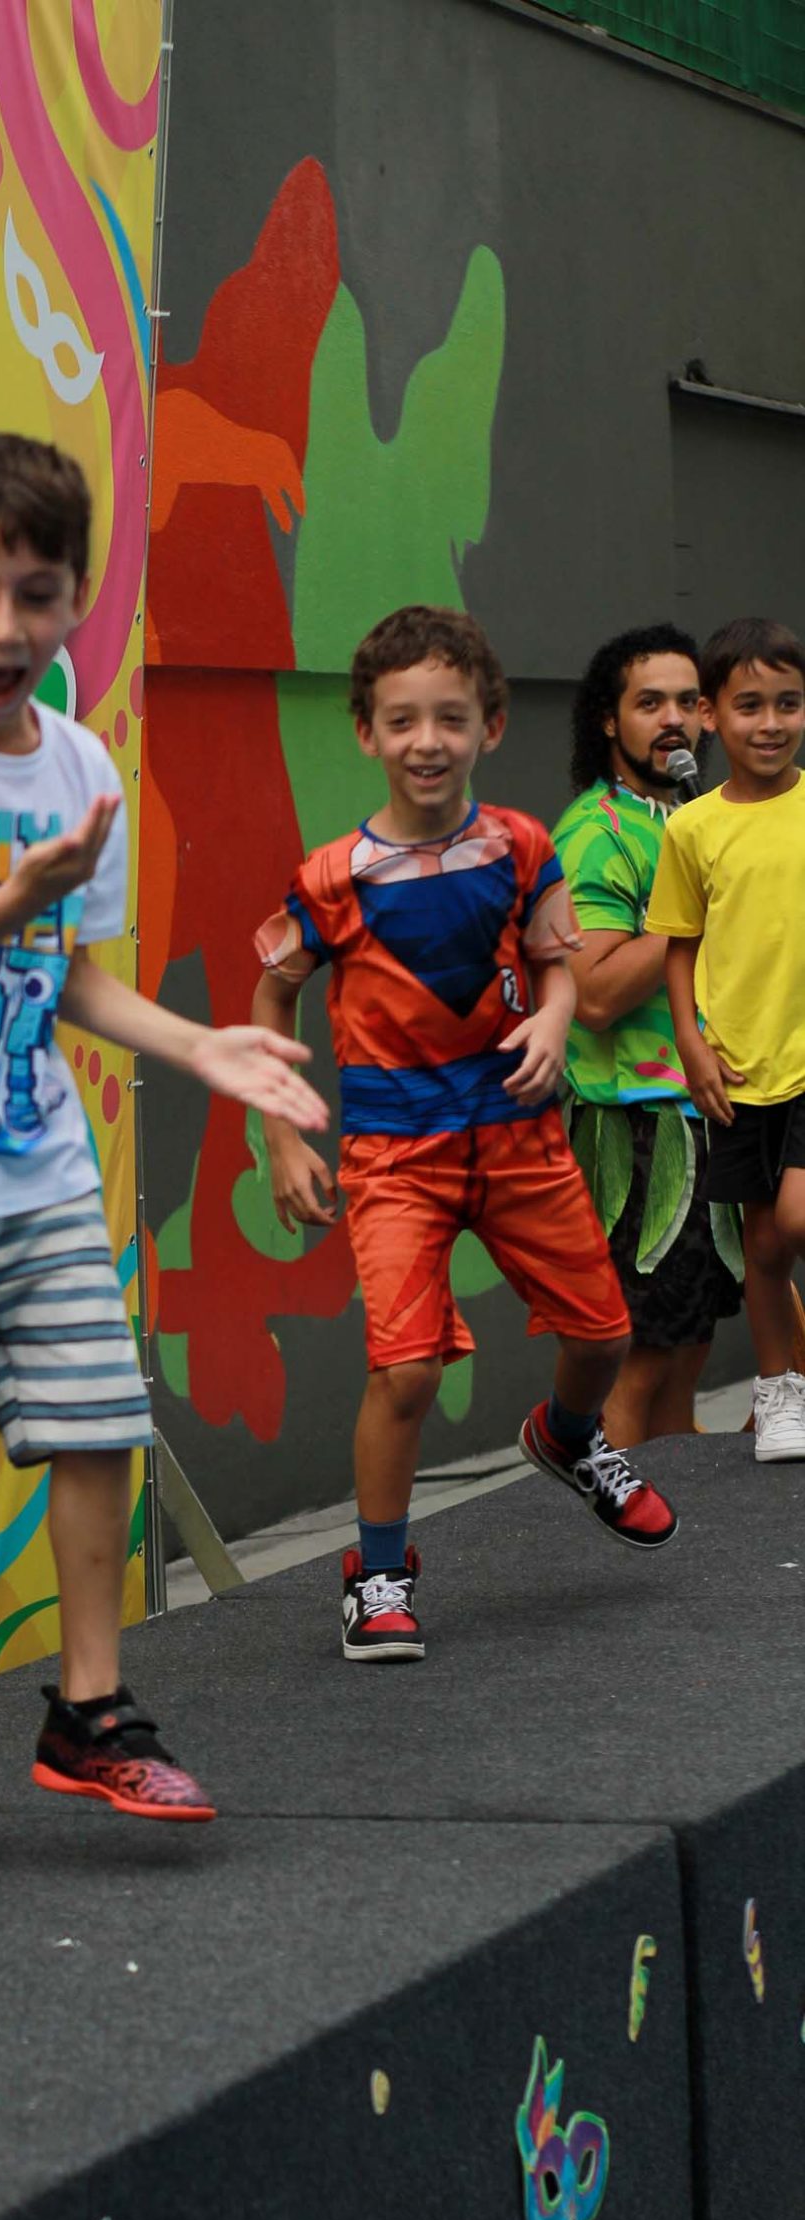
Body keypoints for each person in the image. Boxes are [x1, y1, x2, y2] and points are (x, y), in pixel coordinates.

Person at [0, 432, 327, 1868]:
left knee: (95, 1418)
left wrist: (202, 1047)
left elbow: (68, 977)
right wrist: (13, 896)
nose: (4, 628)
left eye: (35, 595)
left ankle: (89, 1709)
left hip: (31, 1166)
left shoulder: (79, 761)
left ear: (76, 599)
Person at [251, 604, 678, 1665]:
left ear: (490, 725)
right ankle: (377, 1573)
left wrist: (555, 1018)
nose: (426, 740)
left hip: (521, 1140)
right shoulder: (329, 878)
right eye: (402, 721)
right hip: (396, 1158)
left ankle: (567, 1440)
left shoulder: (523, 847)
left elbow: (556, 966)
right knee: (405, 1373)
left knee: (604, 1336)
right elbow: (271, 997)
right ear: (366, 732)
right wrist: (281, 1136)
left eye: (450, 718)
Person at [554, 626, 741, 1445]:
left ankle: (672, 1519)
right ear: (608, 719)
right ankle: (607, 1509)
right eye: (648, 703)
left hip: (712, 1113)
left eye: (686, 702)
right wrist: (690, 907)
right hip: (634, 1130)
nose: (672, 719)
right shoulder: (594, 833)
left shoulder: (698, 821)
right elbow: (592, 994)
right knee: (637, 1360)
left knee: (688, 1350)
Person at [648, 616, 805, 1462]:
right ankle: (779, 1392)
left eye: (787, 703)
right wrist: (689, 1041)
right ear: (709, 715)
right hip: (738, 1066)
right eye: (749, 705)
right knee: (762, 1244)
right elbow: (680, 942)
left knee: (794, 1220)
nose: (770, 723)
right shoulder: (692, 830)